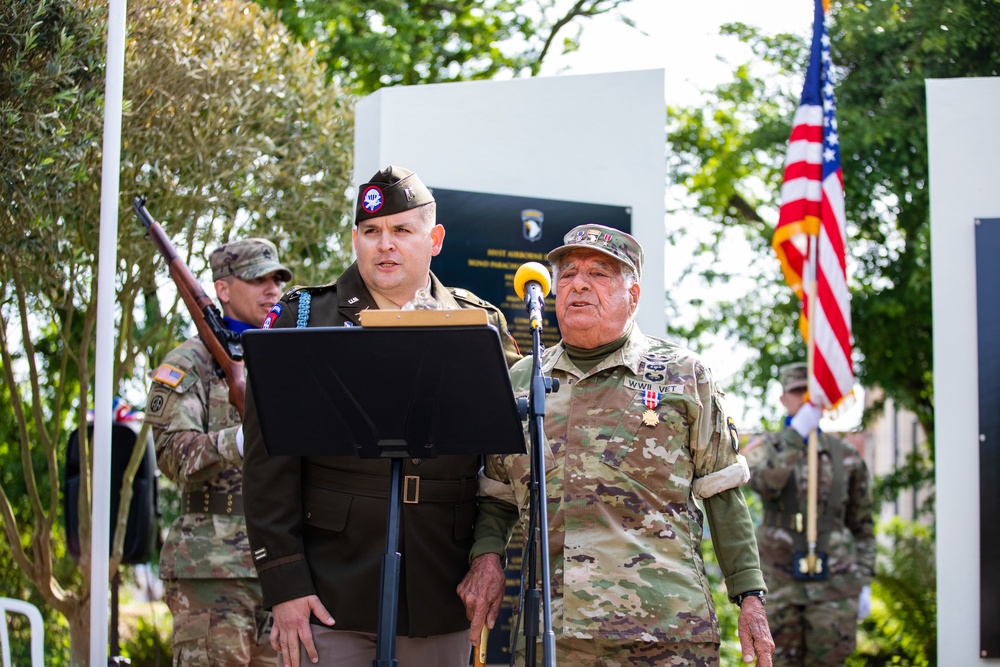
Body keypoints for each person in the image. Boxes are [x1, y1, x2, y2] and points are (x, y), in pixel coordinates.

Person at [240, 165, 522, 667]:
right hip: (330, 593)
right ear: (355, 239)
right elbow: (268, 464)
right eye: (371, 232)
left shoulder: (480, 325)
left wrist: (488, 554)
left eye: (401, 230)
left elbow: (504, 463)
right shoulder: (303, 320)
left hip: (441, 587)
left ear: (434, 239)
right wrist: (284, 582)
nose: (384, 244)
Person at [458, 224, 775, 667]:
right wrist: (486, 558)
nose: (579, 284)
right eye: (567, 274)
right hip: (552, 633)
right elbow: (495, 496)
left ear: (634, 294)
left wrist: (750, 599)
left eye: (600, 273)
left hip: (665, 632)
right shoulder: (519, 381)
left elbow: (722, 491)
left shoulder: (685, 376)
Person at [145, 237, 292, 666]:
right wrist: (241, 441)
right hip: (213, 568)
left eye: (277, 280)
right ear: (222, 290)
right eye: (257, 280)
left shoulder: (288, 357)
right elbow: (171, 453)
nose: (272, 290)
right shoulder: (189, 363)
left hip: (283, 566)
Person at [742, 363, 876, 666]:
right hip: (779, 582)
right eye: (796, 391)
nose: (804, 398)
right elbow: (764, 483)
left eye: (810, 392)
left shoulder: (846, 455)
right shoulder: (766, 448)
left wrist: (865, 580)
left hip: (835, 584)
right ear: (783, 399)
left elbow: (862, 524)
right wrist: (796, 434)